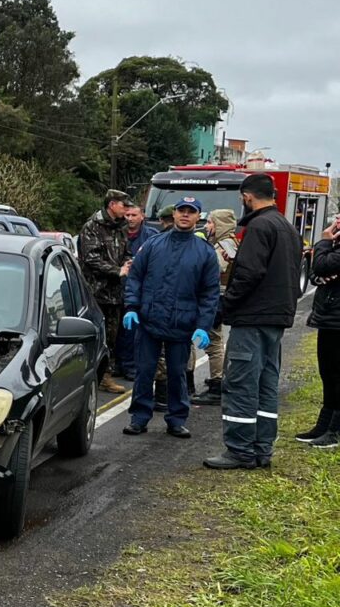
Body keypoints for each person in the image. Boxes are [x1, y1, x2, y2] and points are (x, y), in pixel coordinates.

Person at [204, 174, 303, 469]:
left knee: (241, 384)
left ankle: (239, 449)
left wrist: (225, 305)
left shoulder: (259, 226)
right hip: (276, 319)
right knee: (266, 385)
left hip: (253, 317)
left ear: (247, 197)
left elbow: (248, 274)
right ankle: (261, 449)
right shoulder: (287, 227)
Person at [121, 197, 220, 439]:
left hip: (181, 325)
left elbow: (210, 293)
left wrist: (203, 326)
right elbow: (136, 277)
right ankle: (139, 417)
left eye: (191, 212)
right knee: (145, 371)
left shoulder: (204, 253)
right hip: (149, 321)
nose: (185, 215)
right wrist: (132, 306)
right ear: (174, 214)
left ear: (198, 217)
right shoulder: (154, 244)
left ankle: (176, 419)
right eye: (181, 211)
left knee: (177, 374)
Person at [77, 188, 131, 393]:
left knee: (112, 336)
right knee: (93, 335)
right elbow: (90, 259)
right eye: (123, 205)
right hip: (96, 292)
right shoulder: (92, 226)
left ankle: (105, 376)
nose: (125, 209)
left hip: (115, 293)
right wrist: (117, 271)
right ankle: (89, 375)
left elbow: (126, 251)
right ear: (112, 205)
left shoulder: (120, 227)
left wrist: (127, 263)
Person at [297, 213, 340, 447]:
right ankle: (325, 423)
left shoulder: (329, 244)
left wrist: (323, 242)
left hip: (336, 317)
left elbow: (322, 265)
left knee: (337, 375)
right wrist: (323, 272)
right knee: (328, 373)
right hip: (328, 316)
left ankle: (335, 430)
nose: (336, 222)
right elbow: (315, 274)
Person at [191, 208, 239, 405]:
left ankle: (216, 385)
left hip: (216, 300)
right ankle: (215, 380)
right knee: (214, 341)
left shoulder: (223, 247)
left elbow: (212, 270)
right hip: (218, 299)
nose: (207, 226)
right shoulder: (228, 243)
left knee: (213, 342)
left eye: (211, 222)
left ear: (220, 225)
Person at [115, 199, 158, 379]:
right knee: (116, 330)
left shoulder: (152, 236)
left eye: (134, 215)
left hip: (141, 289)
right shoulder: (117, 233)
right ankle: (116, 364)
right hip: (117, 288)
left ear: (142, 216)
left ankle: (131, 366)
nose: (130, 218)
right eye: (127, 215)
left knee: (133, 330)